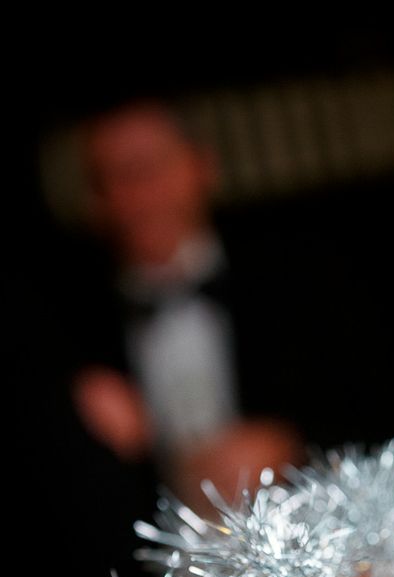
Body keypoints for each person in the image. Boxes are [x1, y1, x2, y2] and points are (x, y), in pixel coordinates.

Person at [70, 99, 302, 510]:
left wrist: (290, 442)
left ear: (202, 168)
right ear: (96, 202)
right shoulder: (69, 325)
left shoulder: (291, 281)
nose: (140, 193)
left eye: (153, 166)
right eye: (115, 177)